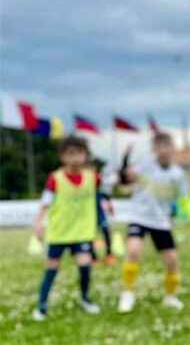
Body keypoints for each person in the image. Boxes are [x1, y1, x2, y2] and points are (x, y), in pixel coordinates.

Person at [117, 132, 190, 313]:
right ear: (154, 149)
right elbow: (125, 180)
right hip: (139, 217)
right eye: (159, 146)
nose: (163, 149)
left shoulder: (178, 174)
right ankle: (127, 294)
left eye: (167, 145)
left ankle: (170, 297)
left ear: (173, 148)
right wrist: (125, 169)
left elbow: (185, 201)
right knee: (133, 251)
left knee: (172, 261)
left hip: (161, 221)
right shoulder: (144, 166)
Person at [31, 136, 101, 320]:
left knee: (85, 265)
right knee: (51, 268)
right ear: (62, 156)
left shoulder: (92, 177)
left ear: (86, 155)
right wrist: (38, 224)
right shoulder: (55, 178)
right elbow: (45, 203)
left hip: (82, 231)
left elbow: (111, 187)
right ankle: (42, 306)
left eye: (79, 153)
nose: (75, 158)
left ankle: (85, 298)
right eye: (70, 154)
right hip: (59, 232)